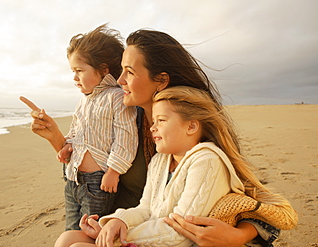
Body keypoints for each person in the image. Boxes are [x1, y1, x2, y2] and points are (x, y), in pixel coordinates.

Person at [30, 28, 286, 246]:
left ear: (161, 80)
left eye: (129, 72)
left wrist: (238, 235)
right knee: (66, 239)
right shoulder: (128, 118)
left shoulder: (194, 133)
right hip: (132, 222)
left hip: (164, 235)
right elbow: (88, 162)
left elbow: (251, 198)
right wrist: (55, 138)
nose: (119, 80)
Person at [55, 86, 297, 247]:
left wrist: (117, 238)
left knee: (77, 246)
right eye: (153, 121)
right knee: (68, 238)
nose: (152, 127)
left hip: (177, 243)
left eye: (161, 121)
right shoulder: (161, 160)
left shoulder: (206, 161)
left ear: (191, 127)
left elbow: (179, 234)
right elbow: (146, 208)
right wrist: (117, 222)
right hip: (154, 236)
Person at [22, 25, 138, 231]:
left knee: (90, 232)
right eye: (72, 71)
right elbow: (76, 133)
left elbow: (126, 139)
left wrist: (113, 171)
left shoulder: (117, 97)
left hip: (97, 183)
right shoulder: (83, 102)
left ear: (103, 69)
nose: (74, 77)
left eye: (79, 71)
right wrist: (68, 146)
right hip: (72, 178)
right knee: (71, 228)